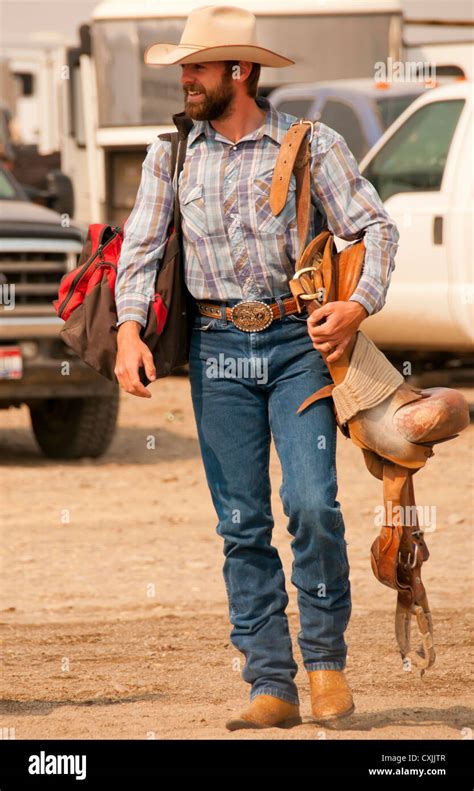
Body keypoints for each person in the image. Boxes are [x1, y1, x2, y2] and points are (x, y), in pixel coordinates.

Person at [114, 5, 399, 731]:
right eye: (183, 66)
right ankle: (270, 682)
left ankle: (326, 663)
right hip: (215, 348)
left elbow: (374, 226)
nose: (185, 78)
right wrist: (127, 331)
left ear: (240, 72)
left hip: (298, 343)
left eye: (197, 67)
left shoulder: (311, 145)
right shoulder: (170, 155)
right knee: (241, 522)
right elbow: (140, 250)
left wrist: (357, 306)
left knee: (310, 504)